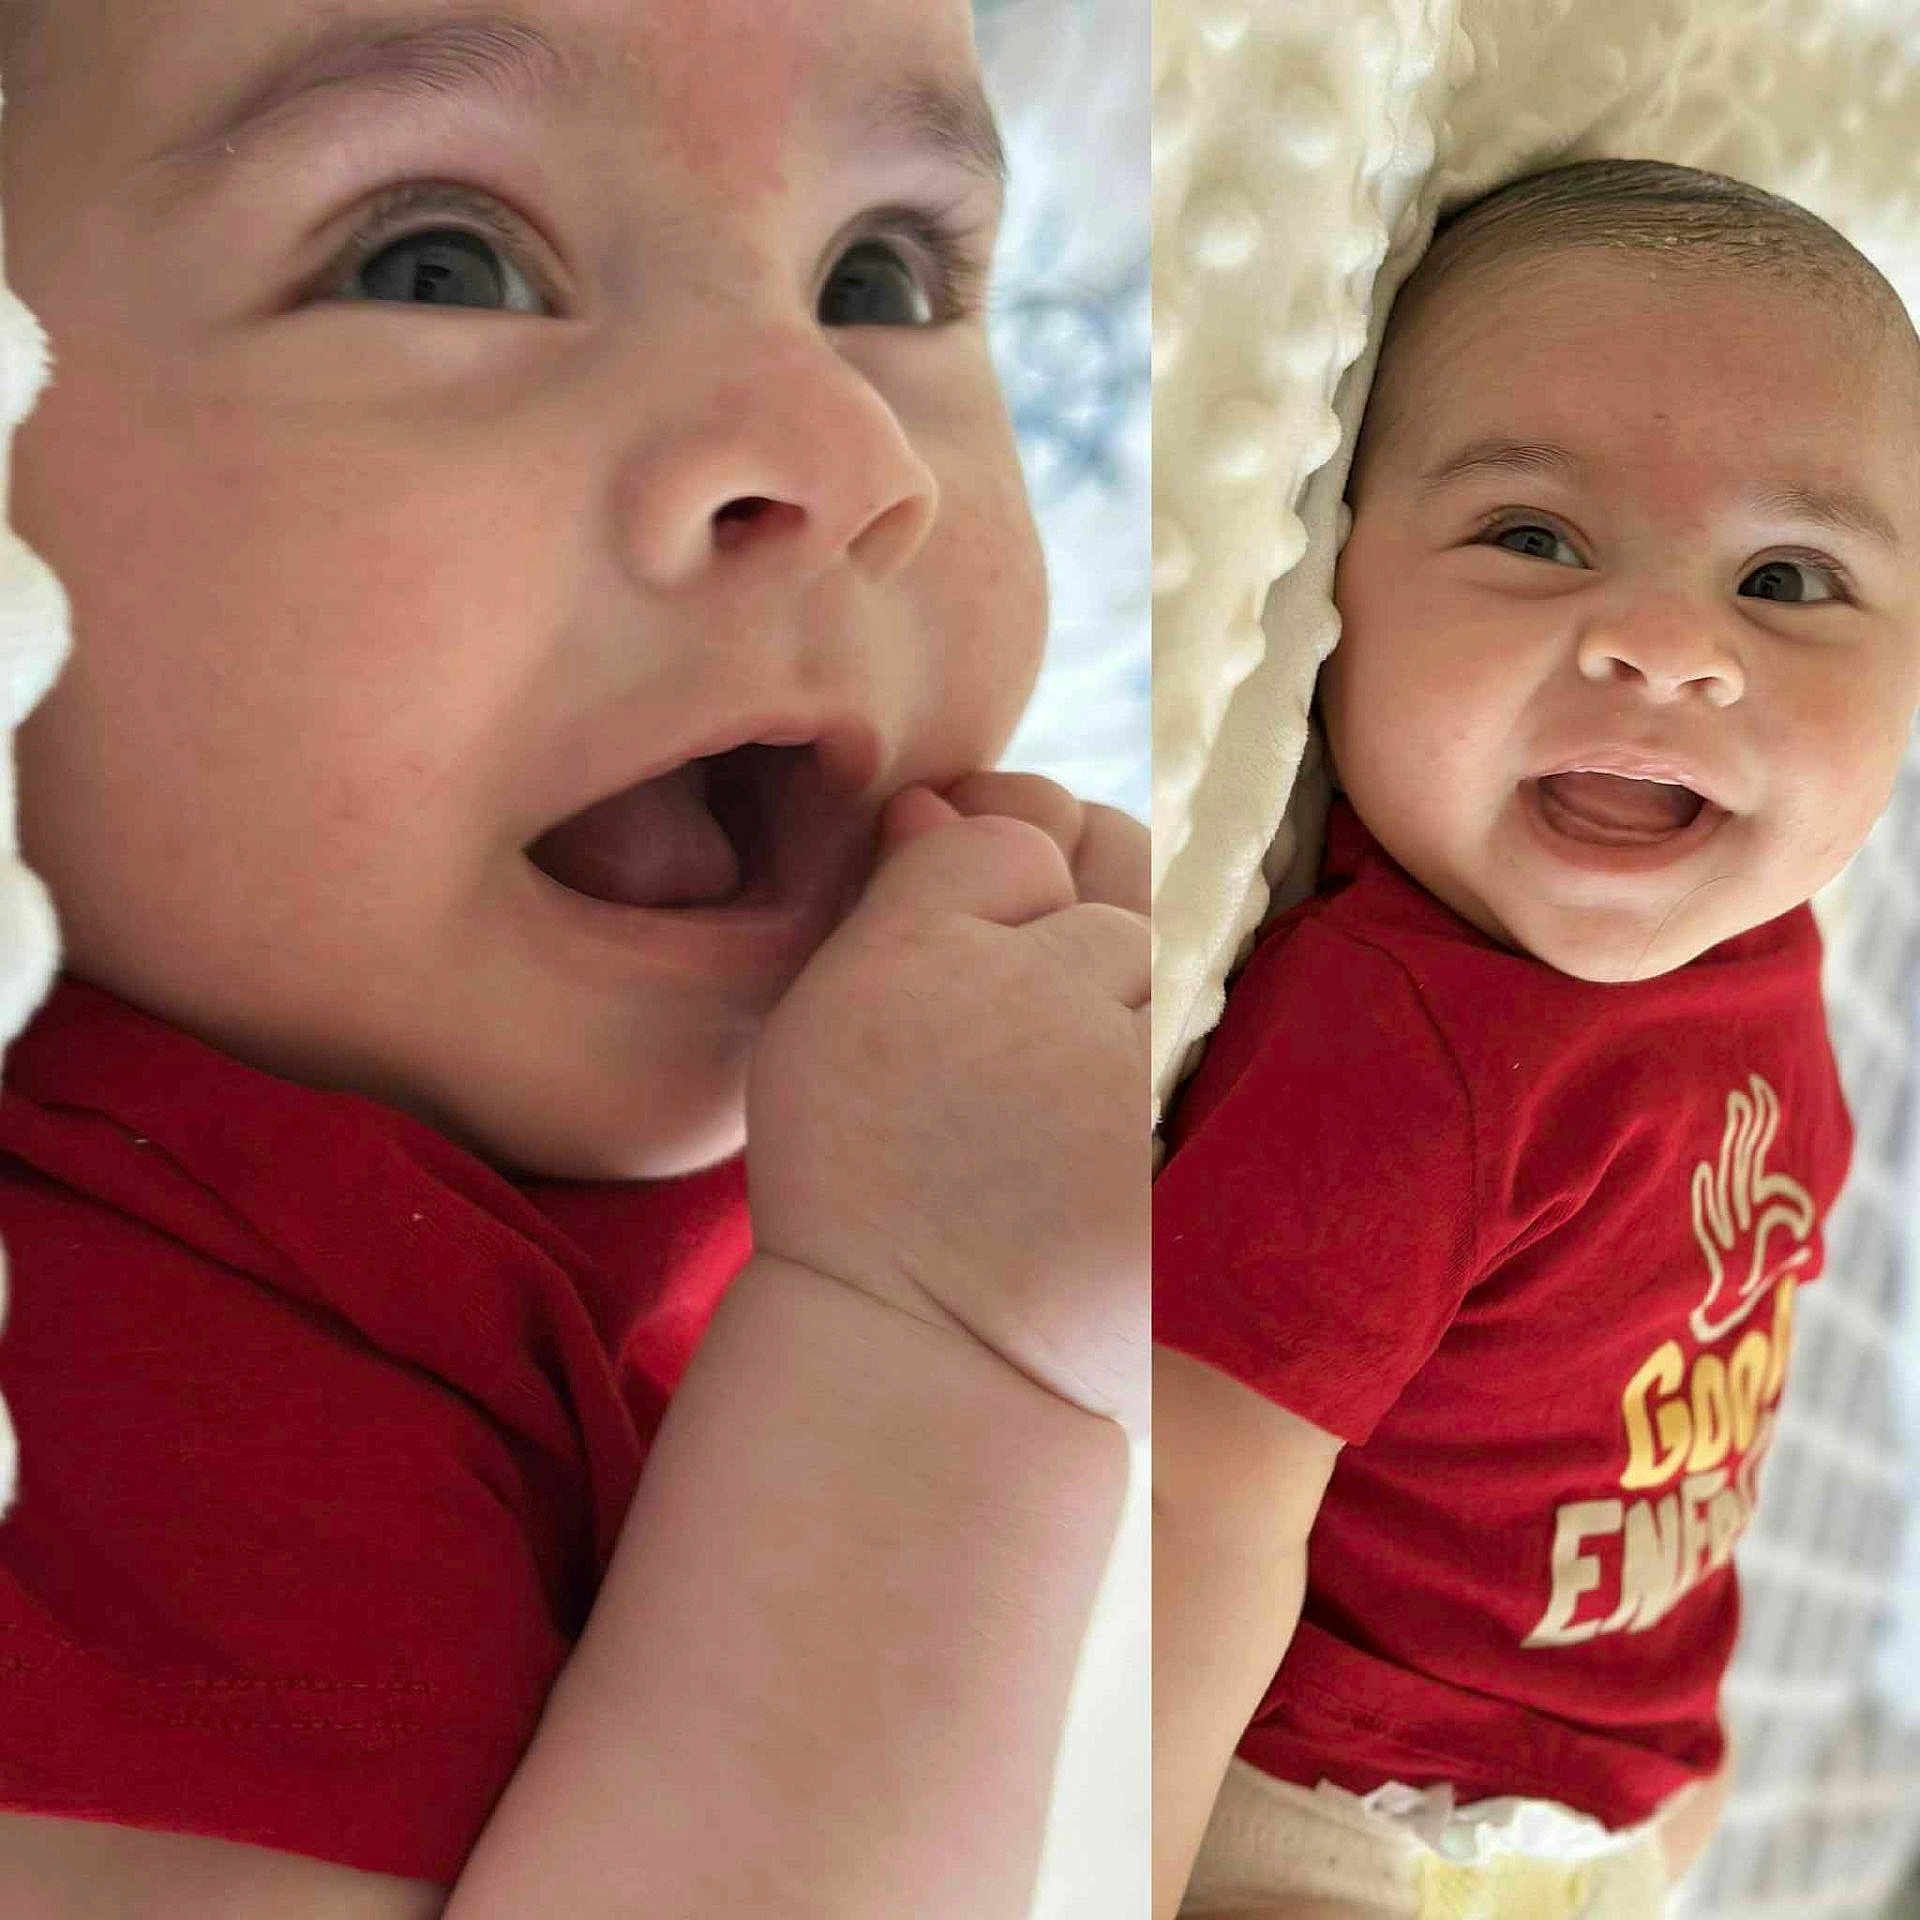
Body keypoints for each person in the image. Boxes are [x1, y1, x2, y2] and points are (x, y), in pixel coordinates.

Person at [0, 2, 1149, 1914]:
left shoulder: (752, 1178)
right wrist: (938, 1368)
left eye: (884, 275)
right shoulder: (93, 1378)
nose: (841, 448)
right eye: (436, 260)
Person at [1153, 157, 1920, 1918]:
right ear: (1339, 586)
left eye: (1789, 580)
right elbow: (1197, 1500)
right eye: (1533, 540)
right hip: (1330, 1792)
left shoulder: (1776, 948)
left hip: (1612, 1774)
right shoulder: (1409, 1044)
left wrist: (1673, 1752)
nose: (1661, 647)